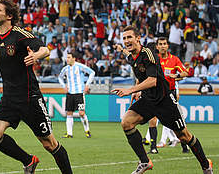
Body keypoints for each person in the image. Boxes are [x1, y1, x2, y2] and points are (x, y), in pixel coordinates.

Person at [0, 0, 72, 174]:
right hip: (9, 99)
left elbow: (44, 49)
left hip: (30, 98)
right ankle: (29, 161)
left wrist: (36, 56)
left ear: (9, 16)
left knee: (49, 144)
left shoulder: (20, 34)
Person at [113, 26, 213, 174]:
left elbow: (152, 81)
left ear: (138, 38)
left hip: (164, 100)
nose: (127, 41)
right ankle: (145, 162)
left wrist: (130, 90)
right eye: (125, 38)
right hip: (148, 99)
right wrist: (138, 89)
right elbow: (139, 73)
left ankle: (206, 165)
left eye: (129, 37)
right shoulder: (132, 57)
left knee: (183, 136)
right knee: (126, 122)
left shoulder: (148, 53)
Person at [143, 37, 190, 154]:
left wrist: (177, 76)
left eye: (165, 44)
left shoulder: (174, 60)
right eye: (160, 44)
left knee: (177, 121)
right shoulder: (154, 60)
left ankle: (185, 145)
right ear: (157, 46)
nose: (163, 46)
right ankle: (153, 147)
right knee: (153, 119)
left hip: (170, 94)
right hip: (156, 94)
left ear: (167, 46)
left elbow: (185, 72)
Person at [58, 52, 95, 138]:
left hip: (79, 93)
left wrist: (87, 85)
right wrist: (64, 86)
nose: (67, 59)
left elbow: (92, 73)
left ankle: (87, 130)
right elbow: (59, 77)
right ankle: (69, 133)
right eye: (67, 58)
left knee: (81, 113)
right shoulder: (65, 69)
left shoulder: (79, 66)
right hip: (70, 94)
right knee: (69, 113)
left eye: (69, 57)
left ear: (74, 58)